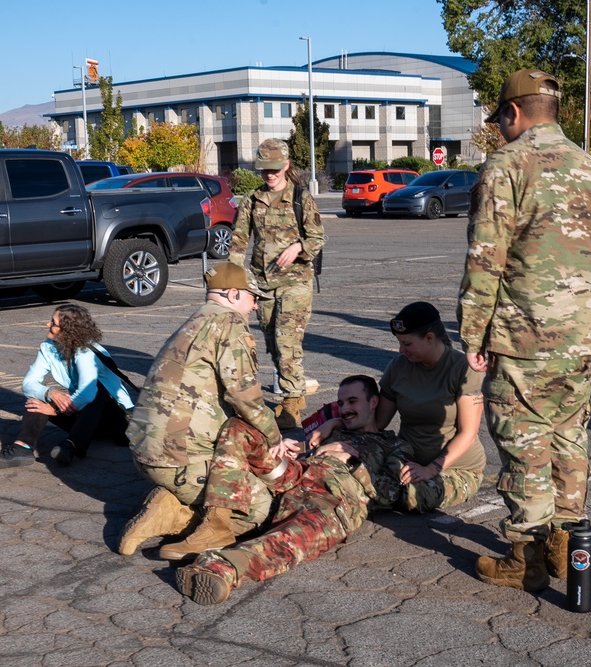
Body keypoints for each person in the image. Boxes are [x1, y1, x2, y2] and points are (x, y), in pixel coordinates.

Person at [457, 68, 591, 592]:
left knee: (523, 441)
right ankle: (569, 544)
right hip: (582, 334)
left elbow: (485, 259)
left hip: (525, 337)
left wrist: (473, 334)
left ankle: (526, 556)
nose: (499, 127)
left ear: (513, 113)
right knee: (570, 435)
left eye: (499, 117)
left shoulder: (506, 166)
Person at [174, 375, 414, 605]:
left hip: (332, 500)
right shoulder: (334, 429)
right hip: (296, 474)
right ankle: (217, 518)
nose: (345, 409)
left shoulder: (392, 445)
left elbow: (390, 492)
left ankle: (219, 569)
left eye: (353, 402)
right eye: (341, 403)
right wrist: (289, 446)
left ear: (373, 402)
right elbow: (308, 448)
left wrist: (353, 464)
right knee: (242, 427)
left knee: (289, 541)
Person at [118, 262, 288, 559]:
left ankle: (172, 501)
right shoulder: (231, 325)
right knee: (262, 510)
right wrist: (274, 439)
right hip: (179, 460)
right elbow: (244, 397)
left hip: (144, 451)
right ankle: (175, 516)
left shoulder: (195, 322)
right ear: (234, 294)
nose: (255, 306)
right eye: (253, 297)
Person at [312, 302, 486, 513]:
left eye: (407, 344)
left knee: (413, 496)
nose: (401, 350)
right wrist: (333, 423)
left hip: (455, 468)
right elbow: (378, 422)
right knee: (358, 476)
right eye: (399, 343)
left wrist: (431, 469)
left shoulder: (463, 369)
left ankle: (349, 503)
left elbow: (468, 433)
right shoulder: (399, 367)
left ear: (430, 338)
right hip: (407, 460)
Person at [228, 138, 326, 430]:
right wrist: (233, 278)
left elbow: (318, 237)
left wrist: (298, 248)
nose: (268, 175)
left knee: (287, 341)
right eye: (264, 170)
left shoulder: (301, 198)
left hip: (296, 282)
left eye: (273, 169)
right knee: (272, 342)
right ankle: (291, 390)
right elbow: (239, 239)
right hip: (262, 283)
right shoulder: (251, 200)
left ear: (285, 166)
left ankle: (293, 402)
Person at [0, 304, 135, 469]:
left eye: (53, 323)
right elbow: (28, 384)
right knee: (37, 398)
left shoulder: (88, 353)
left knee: (98, 391)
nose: (48, 325)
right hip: (86, 419)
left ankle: (71, 446)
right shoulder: (48, 347)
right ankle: (22, 448)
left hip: (119, 421)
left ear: (69, 330)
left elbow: (88, 393)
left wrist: (55, 410)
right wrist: (50, 393)